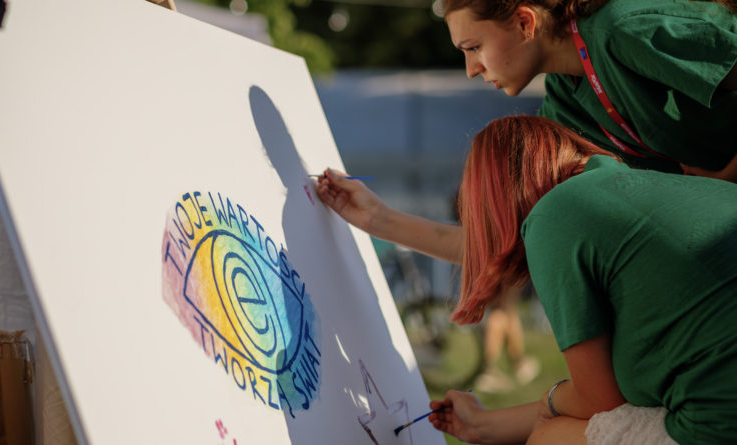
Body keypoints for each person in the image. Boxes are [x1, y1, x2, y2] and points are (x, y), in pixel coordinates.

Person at [315, 115, 737, 444]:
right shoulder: (626, 193)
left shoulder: (557, 214)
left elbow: (599, 401)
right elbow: (491, 246)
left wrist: (551, 402)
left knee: (551, 438)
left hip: (719, 423)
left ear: (495, 194)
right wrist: (380, 219)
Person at [441, 0, 737, 181]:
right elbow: (503, 236)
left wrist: (729, 177)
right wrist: (403, 225)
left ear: (524, 22)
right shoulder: (563, 95)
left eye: (473, 48)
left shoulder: (623, 29)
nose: (471, 70)